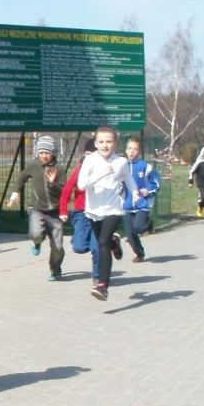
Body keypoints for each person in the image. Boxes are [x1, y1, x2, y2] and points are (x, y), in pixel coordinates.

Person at [77, 126, 139, 301]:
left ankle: (103, 285)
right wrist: (99, 175)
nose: (105, 145)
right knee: (104, 241)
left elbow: (129, 179)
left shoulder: (121, 162)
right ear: (96, 143)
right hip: (94, 209)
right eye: (101, 141)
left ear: (116, 143)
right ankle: (114, 242)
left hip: (114, 209)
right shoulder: (90, 160)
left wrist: (134, 192)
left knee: (102, 243)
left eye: (109, 141)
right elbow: (81, 185)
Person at [6, 136, 66, 281]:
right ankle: (36, 241)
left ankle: (55, 269)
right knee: (36, 233)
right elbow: (22, 177)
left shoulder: (59, 169)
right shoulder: (33, 165)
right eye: (41, 152)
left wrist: (53, 183)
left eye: (47, 153)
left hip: (54, 211)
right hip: (37, 208)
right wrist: (15, 194)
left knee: (58, 246)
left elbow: (64, 191)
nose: (44, 156)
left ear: (53, 153)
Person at [59, 138, 99, 285]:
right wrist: (63, 210)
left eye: (92, 154)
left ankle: (98, 275)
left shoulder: (104, 168)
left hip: (99, 213)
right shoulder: (81, 168)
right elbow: (67, 189)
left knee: (96, 247)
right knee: (79, 247)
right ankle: (105, 241)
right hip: (81, 212)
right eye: (86, 154)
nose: (89, 157)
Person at [122, 137, 160, 262]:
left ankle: (148, 224)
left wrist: (148, 190)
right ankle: (139, 253)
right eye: (129, 148)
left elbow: (155, 182)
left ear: (139, 152)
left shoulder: (145, 167)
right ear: (126, 150)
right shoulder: (122, 167)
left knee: (138, 228)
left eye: (135, 149)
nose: (132, 151)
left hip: (142, 204)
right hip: (127, 205)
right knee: (130, 234)